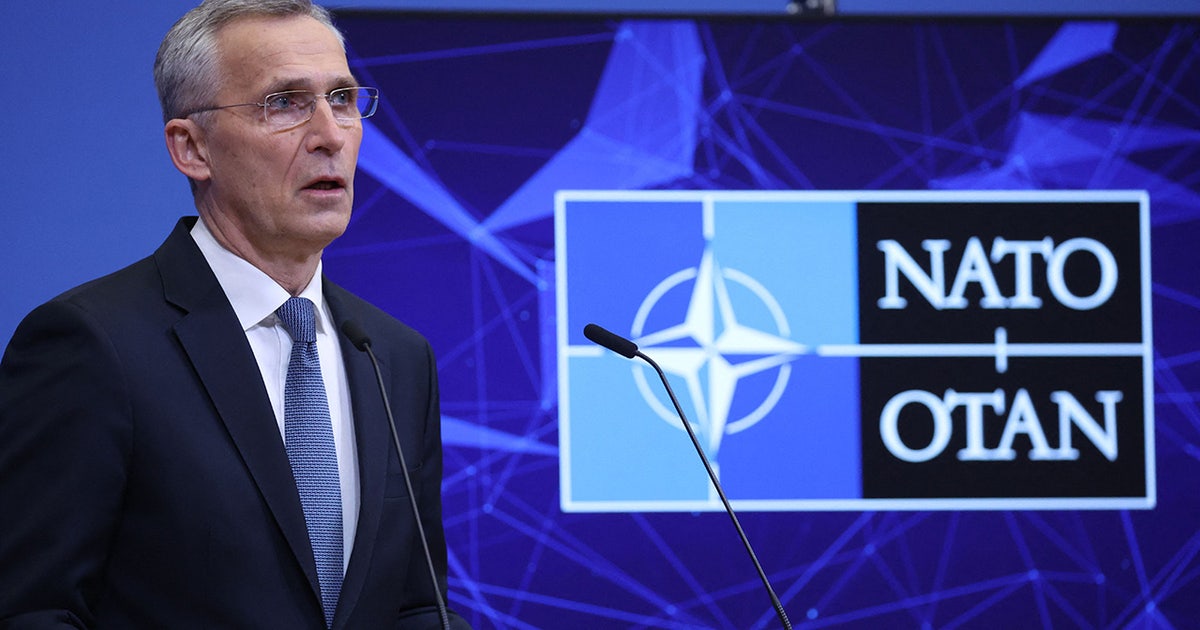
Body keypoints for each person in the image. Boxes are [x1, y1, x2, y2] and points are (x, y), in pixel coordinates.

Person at [0, 1, 469, 628]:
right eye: (285, 103)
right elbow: (32, 610)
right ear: (192, 147)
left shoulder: (396, 357)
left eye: (341, 99)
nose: (331, 135)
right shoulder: (92, 345)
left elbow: (416, 607)